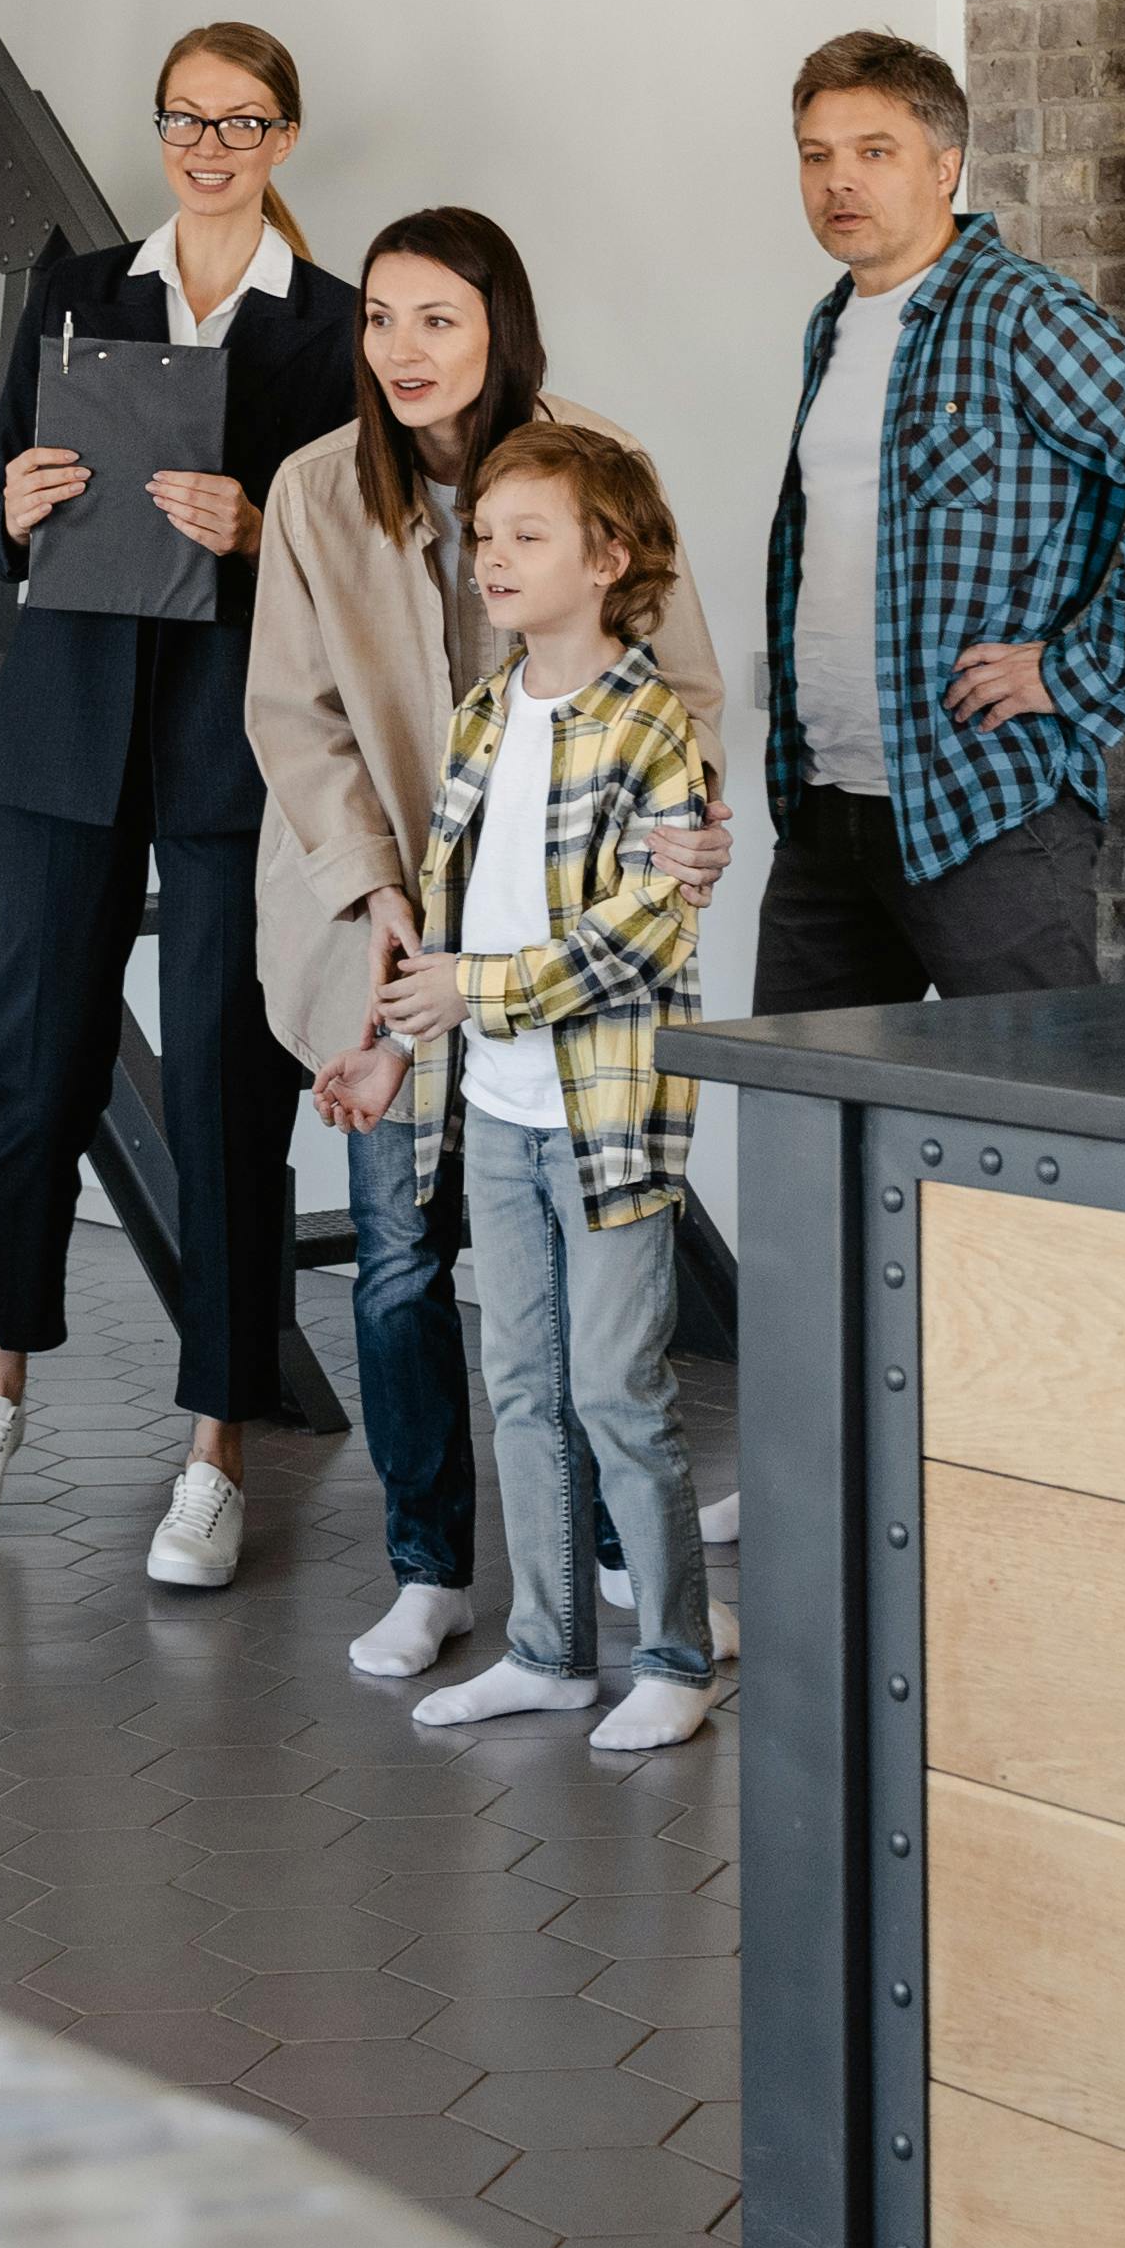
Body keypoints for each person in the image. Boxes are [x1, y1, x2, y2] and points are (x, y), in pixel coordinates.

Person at [250, 211, 733, 1684]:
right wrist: (377, 885)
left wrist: (685, 834)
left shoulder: (598, 463)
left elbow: (686, 689)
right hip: (385, 933)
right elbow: (294, 714)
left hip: (564, 959)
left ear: (500, 326)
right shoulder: (315, 487)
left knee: (581, 1306)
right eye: (382, 319)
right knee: (398, 1266)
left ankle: (611, 1582)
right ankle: (428, 1567)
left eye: (438, 318)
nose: (403, 348)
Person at [0, 22, 360, 1590]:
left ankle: (217, 1443)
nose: (210, 143)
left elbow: (361, 561)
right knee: (35, 1054)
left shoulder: (332, 326)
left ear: (286, 137)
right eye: (186, 116)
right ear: (160, 128)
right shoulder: (74, 289)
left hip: (232, 742)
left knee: (231, 1090)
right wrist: (18, 511)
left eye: (242, 121)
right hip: (68, 732)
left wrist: (262, 531)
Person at [356, 422, 724, 1755]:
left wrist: (480, 990)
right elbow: (448, 920)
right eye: (483, 535)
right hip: (495, 1119)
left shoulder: (652, 734)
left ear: (608, 556)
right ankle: (550, 1651)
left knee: (619, 1388)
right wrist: (401, 1038)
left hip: (609, 1124)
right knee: (519, 1382)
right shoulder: (475, 718)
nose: (491, 558)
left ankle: (675, 1656)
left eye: (528, 536)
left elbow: (644, 937)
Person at [756, 30, 1125, 1009]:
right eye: (815, 155)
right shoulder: (833, 323)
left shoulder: (1016, 313)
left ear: (945, 165)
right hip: (826, 809)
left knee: (1039, 1123)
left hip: (981, 807)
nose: (836, 181)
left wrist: (1069, 668)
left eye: (872, 150)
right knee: (802, 1117)